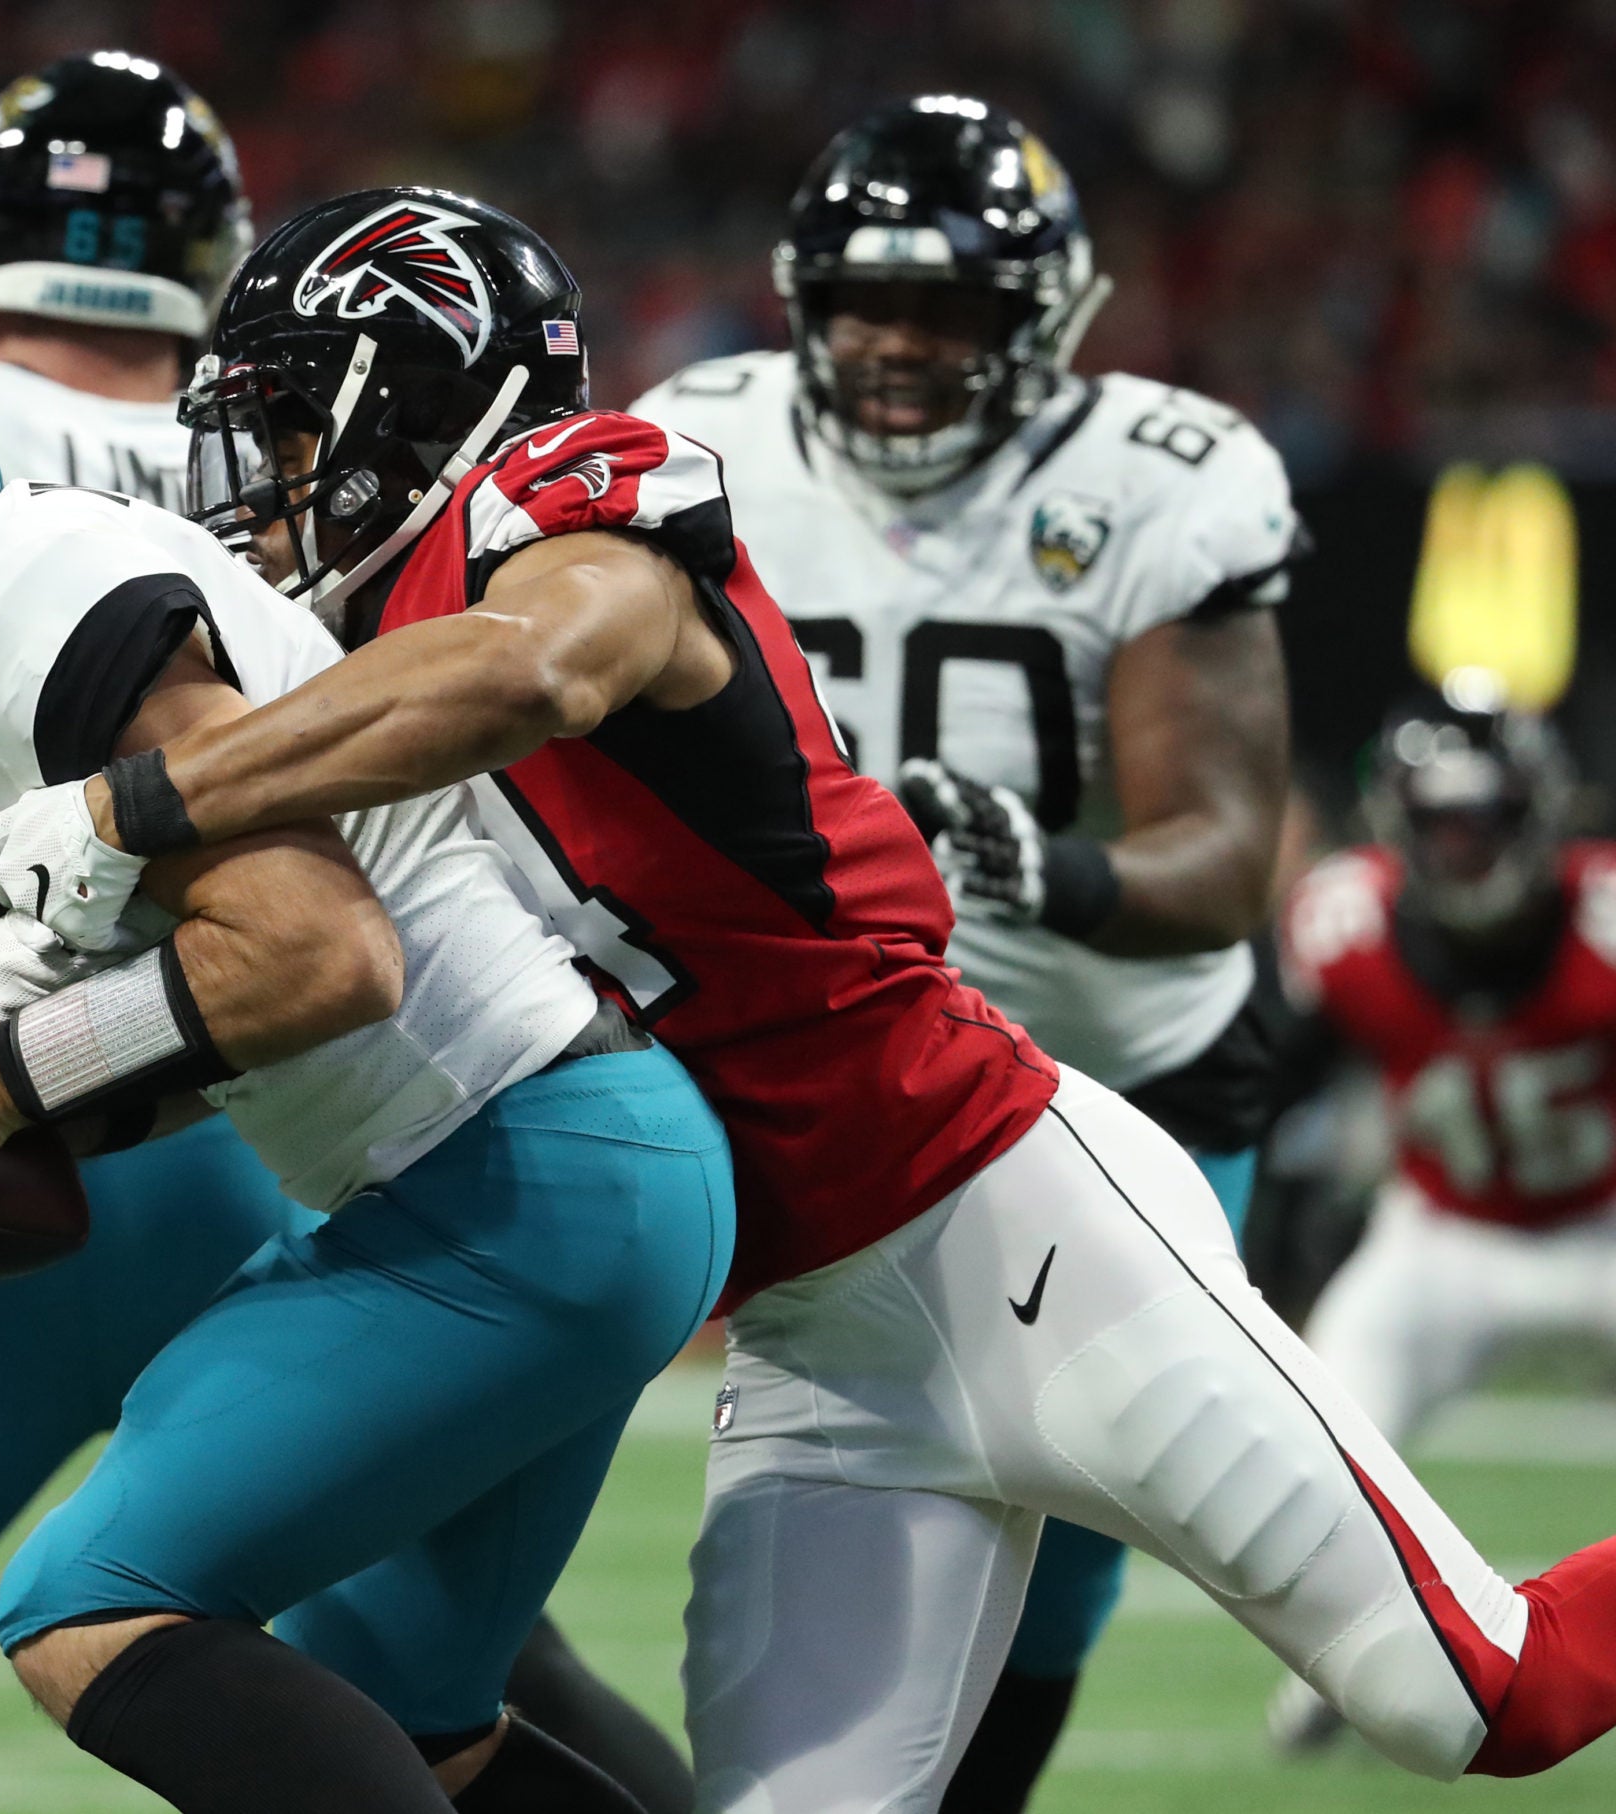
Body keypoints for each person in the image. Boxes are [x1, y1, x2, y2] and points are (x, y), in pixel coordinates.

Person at [0, 183, 1616, 1809]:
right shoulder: (343, 675)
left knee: (1483, 1694)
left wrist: (135, 805)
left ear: (416, 389)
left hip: (1014, 1220)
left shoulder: (565, 502)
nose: (260, 479)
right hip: (812, 1343)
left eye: (287, 426)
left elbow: (540, 666)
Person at [0, 54, 694, 1814]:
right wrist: (5, 1079)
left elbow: (319, 953)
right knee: (432, 1701)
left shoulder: (10, 584)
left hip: (481, 1150)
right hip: (415, 1152)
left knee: (76, 1605)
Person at [629, 95, 1297, 1810]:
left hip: (1123, 1075)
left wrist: (1042, 865)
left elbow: (1223, 866)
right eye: (864, 299)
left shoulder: (1162, 476)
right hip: (847, 1077)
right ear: (799, 297)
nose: (901, 343)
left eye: (956, 308)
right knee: (821, 1496)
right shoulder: (695, 442)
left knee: (1089, 1512)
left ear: (1049, 315)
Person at [1267, 682, 1616, 1752]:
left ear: (1539, 813)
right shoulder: (1341, 922)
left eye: (1483, 819)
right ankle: (1339, 1663)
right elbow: (1265, 1085)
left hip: (1614, 1229)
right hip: (1437, 1238)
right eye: (1437, 823)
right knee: (1312, 1454)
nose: (1462, 848)